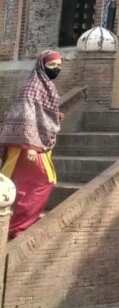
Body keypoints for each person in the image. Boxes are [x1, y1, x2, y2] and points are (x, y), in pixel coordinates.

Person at [0, 50, 64, 240]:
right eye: (52, 65)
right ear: (41, 65)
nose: (56, 69)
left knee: (21, 185)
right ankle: (17, 227)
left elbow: (39, 115)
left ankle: (18, 224)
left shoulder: (45, 86)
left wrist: (55, 117)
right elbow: (25, 115)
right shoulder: (34, 86)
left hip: (34, 145)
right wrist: (30, 146)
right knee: (44, 182)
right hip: (28, 147)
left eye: (59, 66)